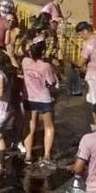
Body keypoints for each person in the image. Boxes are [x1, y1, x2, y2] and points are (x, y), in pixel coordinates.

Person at [21, 37, 58, 168]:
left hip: (29, 98)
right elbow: (52, 82)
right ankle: (47, 155)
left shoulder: (25, 62)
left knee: (29, 127)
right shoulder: (46, 66)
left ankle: (28, 155)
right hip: (44, 98)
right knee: (49, 127)